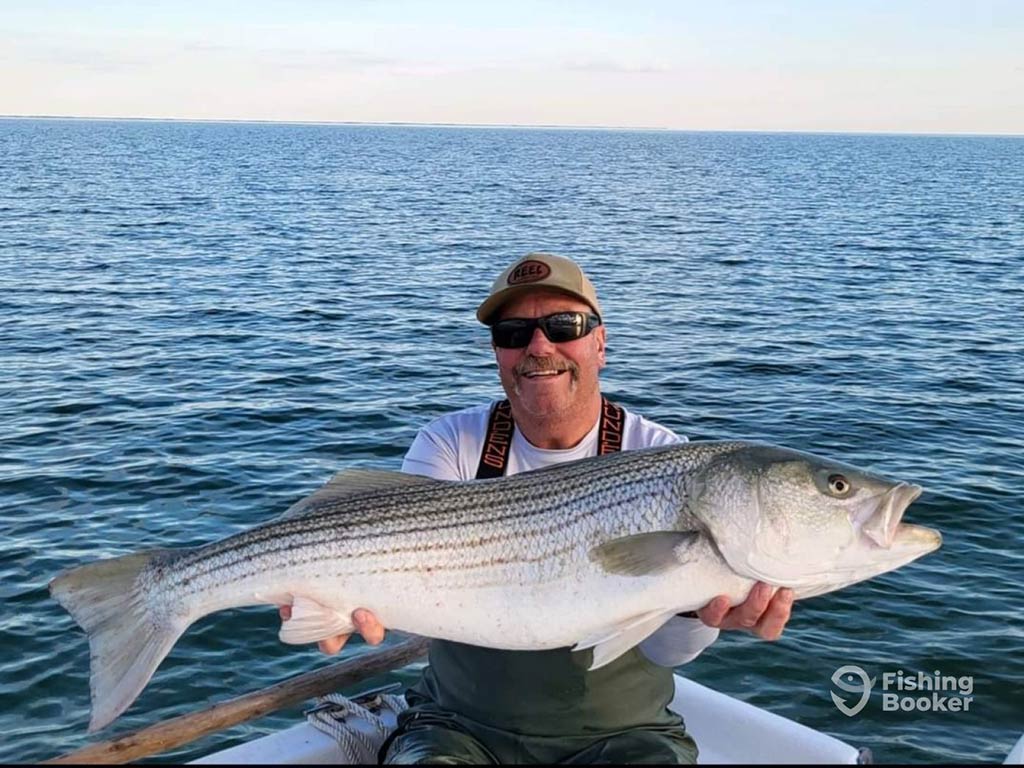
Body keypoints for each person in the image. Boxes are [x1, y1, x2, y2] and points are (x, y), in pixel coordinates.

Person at [281, 252, 794, 764]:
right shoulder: (451, 443)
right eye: (513, 332)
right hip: (457, 728)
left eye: (563, 325)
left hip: (624, 734)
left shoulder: (662, 455)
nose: (539, 347)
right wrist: (334, 600)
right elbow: (406, 576)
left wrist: (700, 610)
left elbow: (665, 652)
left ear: (600, 342)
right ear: (497, 351)